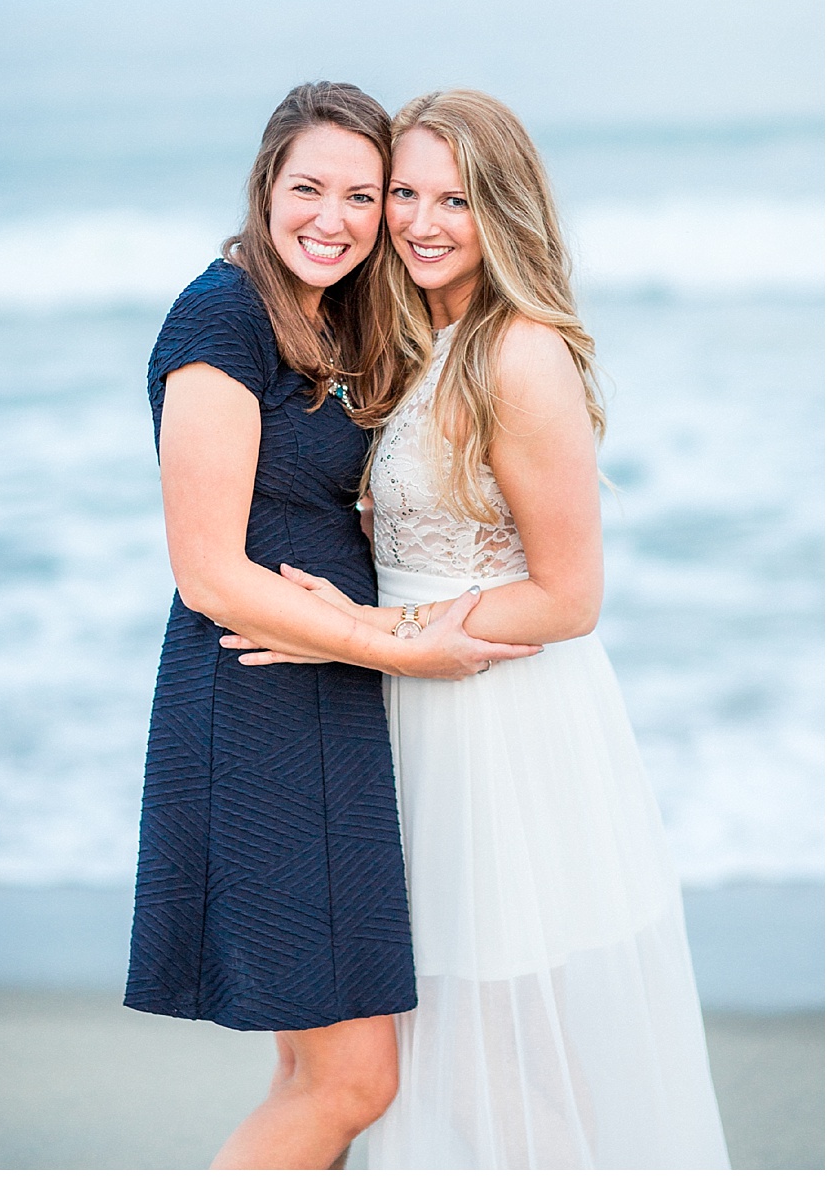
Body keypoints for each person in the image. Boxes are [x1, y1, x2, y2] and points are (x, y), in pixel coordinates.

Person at [223, 90, 729, 1167]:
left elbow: (568, 594)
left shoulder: (518, 352)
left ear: (500, 208)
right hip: (404, 716)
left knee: (499, 1062)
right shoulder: (416, 342)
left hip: (497, 739)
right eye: (401, 192)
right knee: (395, 1062)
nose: (418, 221)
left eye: (452, 197)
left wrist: (363, 627)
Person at [125, 82, 540, 1169]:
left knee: (312, 1068)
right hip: (258, 700)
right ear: (266, 187)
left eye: (366, 194)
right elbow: (208, 570)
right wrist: (393, 641)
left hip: (329, 704)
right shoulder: (219, 318)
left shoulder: (336, 319)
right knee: (357, 1077)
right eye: (309, 187)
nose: (338, 217)